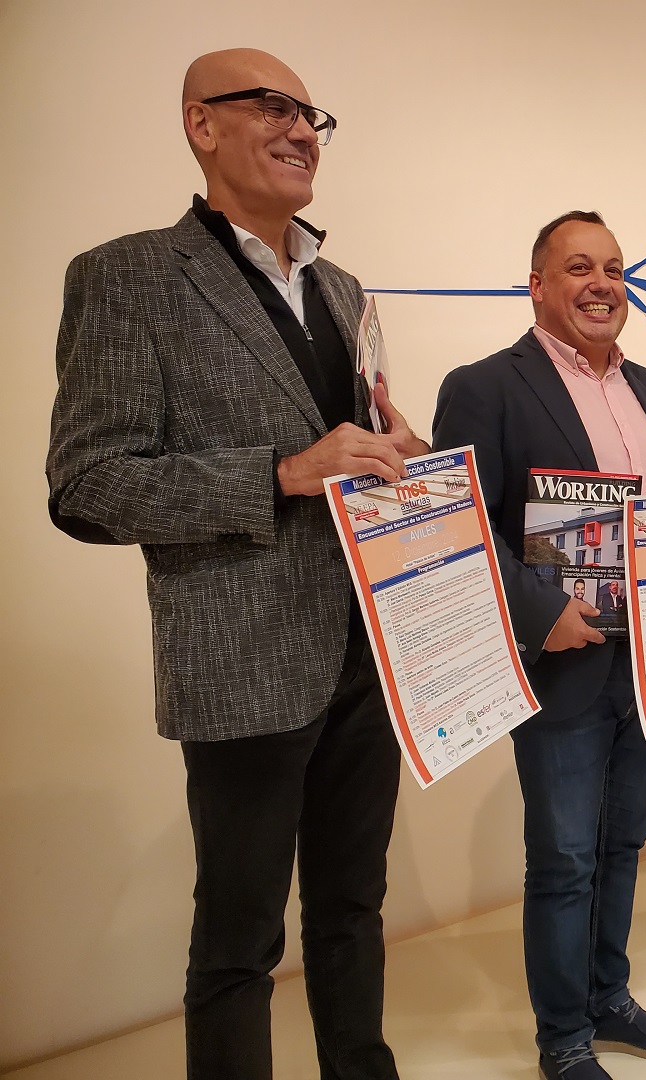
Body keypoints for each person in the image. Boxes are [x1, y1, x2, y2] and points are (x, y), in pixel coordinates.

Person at [45, 50, 429, 1080]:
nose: (302, 127)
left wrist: (403, 459)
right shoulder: (125, 276)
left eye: (312, 113)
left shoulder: (343, 286)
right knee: (238, 944)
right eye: (271, 106)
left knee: (354, 906)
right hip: (243, 664)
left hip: (365, 654)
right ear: (199, 126)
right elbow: (87, 484)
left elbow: (353, 448)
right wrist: (284, 473)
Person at [432, 211, 646, 1080]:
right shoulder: (485, 385)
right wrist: (536, 607)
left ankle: (609, 998)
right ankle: (563, 1041)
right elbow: (462, 521)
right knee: (563, 858)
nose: (602, 283)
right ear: (539, 286)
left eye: (615, 268)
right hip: (560, 661)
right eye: (579, 267)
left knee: (625, 842)